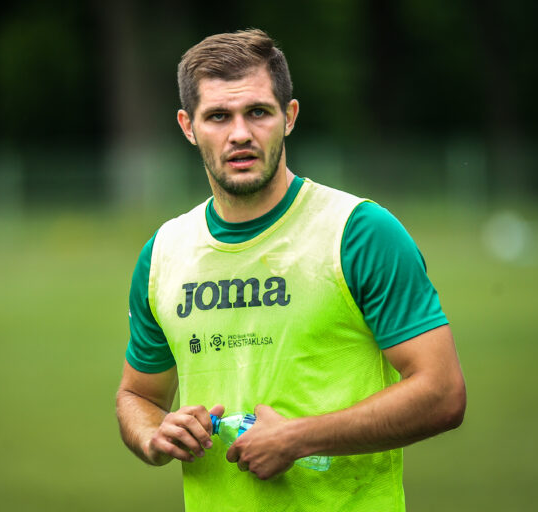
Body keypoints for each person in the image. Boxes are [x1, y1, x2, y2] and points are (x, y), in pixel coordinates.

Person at [116, 29, 466, 511]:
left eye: (258, 112)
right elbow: (138, 396)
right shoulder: (162, 254)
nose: (240, 133)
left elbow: (442, 392)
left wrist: (300, 438)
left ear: (289, 116)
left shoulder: (359, 233)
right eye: (218, 116)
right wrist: (155, 435)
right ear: (188, 126)